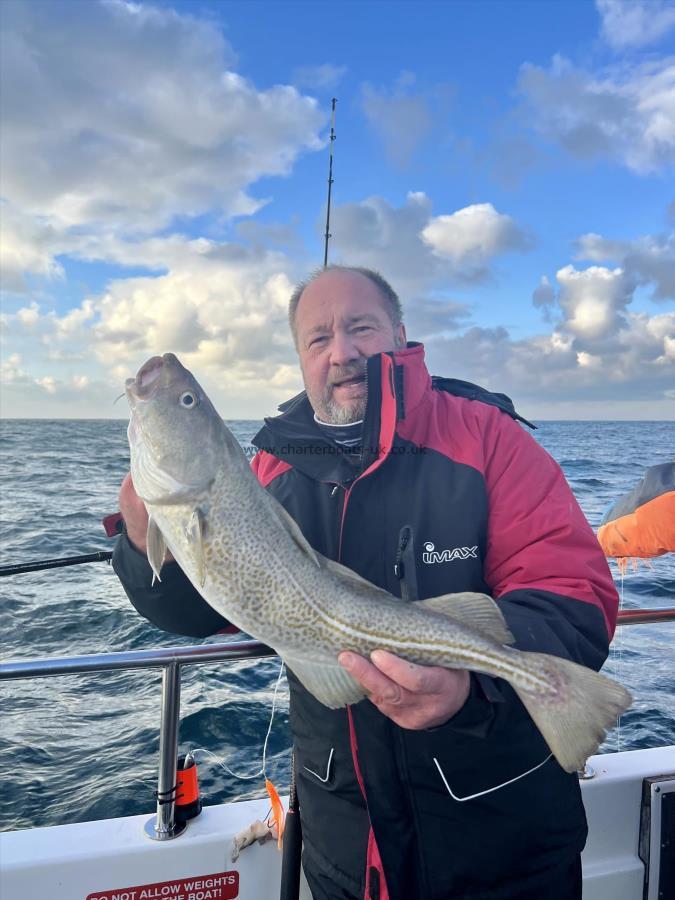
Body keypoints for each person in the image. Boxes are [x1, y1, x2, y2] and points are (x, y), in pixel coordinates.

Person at [113, 266, 619, 900]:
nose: (342, 351)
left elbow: (573, 593)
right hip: (342, 847)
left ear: (400, 334)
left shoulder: (487, 437)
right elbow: (206, 608)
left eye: (361, 328)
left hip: (499, 847)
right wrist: (140, 543)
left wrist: (474, 687)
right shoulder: (269, 466)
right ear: (301, 359)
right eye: (317, 338)